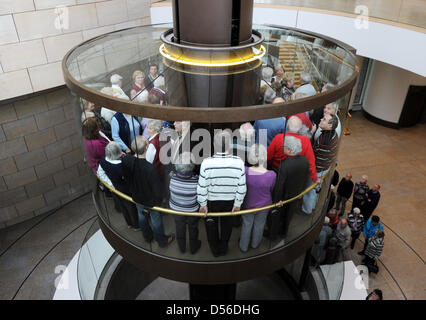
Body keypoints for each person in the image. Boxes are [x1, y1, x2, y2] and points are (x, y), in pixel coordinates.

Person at [197, 130, 247, 257]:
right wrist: (237, 204)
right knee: (227, 227)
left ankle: (215, 251)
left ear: (214, 145)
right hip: (230, 202)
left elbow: (202, 187)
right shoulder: (239, 162)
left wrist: (203, 204)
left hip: (211, 202)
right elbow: (242, 187)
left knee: (210, 226)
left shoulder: (206, 163)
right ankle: (223, 249)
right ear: (230, 145)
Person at [122, 136, 174, 247]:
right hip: (150, 201)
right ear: (146, 147)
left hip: (136, 197)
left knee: (142, 217)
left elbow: (126, 178)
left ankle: (147, 237)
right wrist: (159, 201)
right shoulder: (150, 168)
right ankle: (162, 241)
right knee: (156, 220)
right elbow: (157, 191)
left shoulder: (126, 160)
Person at [268, 136, 309, 239]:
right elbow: (305, 178)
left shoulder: (284, 165)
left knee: (277, 217)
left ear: (289, 150)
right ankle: (284, 233)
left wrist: (276, 201)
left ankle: (273, 235)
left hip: (284, 198)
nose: (282, 148)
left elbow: (279, 186)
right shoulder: (305, 160)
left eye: (284, 147)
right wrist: (301, 192)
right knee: (289, 216)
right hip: (296, 195)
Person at [239, 144, 276, 252]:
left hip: (248, 205)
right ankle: (255, 244)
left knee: (246, 225)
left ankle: (243, 247)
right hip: (264, 206)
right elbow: (272, 189)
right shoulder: (272, 175)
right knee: (259, 226)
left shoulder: (244, 171)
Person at [97, 141, 139, 230]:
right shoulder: (122, 165)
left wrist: (110, 183)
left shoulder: (103, 160)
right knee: (131, 207)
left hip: (116, 189)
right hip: (127, 190)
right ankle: (136, 225)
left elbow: (100, 173)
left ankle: (129, 224)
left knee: (123, 207)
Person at [267, 116, 318, 183]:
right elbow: (311, 163)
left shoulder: (278, 138)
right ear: (300, 128)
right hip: (295, 176)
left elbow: (268, 157)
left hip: (277, 172)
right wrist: (315, 178)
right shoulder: (306, 141)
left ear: (287, 127)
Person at [169, 155, 201, 254]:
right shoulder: (196, 181)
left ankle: (182, 248)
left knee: (179, 228)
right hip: (192, 211)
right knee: (193, 228)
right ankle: (193, 248)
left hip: (176, 209)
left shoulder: (172, 178)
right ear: (192, 166)